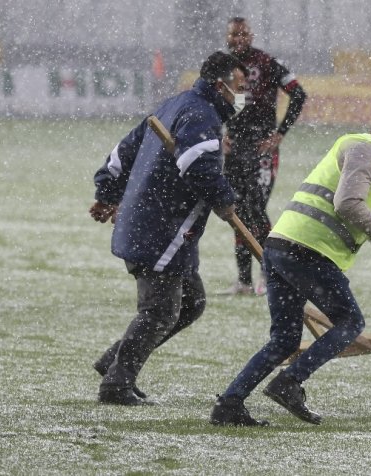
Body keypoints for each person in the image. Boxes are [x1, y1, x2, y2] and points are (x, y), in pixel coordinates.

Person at [209, 109, 371, 427]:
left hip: (281, 248)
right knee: (350, 322)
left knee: (285, 340)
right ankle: (290, 383)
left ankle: (229, 404)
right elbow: (348, 205)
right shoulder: (368, 151)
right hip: (309, 251)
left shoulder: (367, 153)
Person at [89, 51, 246, 405]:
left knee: (191, 303)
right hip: (161, 228)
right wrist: (225, 199)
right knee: (160, 311)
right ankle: (116, 385)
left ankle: (114, 362)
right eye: (239, 86)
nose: (242, 93)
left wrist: (108, 192)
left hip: (156, 223)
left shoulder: (176, 105)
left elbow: (122, 153)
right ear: (220, 85)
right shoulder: (200, 114)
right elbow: (198, 167)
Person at [219, 16, 307, 296]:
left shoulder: (267, 62)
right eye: (234, 35)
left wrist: (279, 133)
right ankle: (244, 282)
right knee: (236, 212)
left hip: (261, 148)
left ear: (251, 35)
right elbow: (210, 101)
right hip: (234, 149)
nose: (239, 39)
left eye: (243, 34)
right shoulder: (220, 65)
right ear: (227, 37)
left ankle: (270, 276)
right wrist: (219, 134)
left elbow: (299, 94)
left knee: (255, 209)